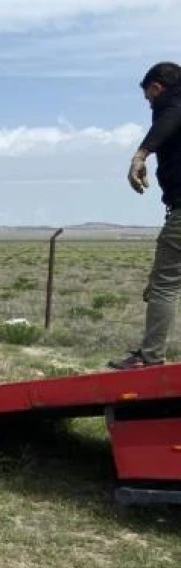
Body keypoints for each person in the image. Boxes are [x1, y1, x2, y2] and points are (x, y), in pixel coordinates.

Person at [108, 61, 181, 369]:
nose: (150, 104)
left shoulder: (173, 104)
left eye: (149, 98)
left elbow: (171, 117)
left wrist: (140, 154)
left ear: (156, 88)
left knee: (164, 284)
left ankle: (150, 358)